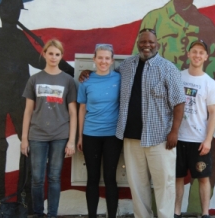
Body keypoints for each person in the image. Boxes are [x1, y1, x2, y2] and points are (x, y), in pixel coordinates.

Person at [79, 28, 185, 218]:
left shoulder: (168, 68)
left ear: (157, 44)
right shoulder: (126, 66)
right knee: (138, 186)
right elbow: (106, 74)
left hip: (160, 138)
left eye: (150, 42)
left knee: (164, 185)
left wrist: (174, 131)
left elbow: (179, 102)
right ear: (138, 43)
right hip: (130, 139)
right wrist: (89, 73)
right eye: (143, 42)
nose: (147, 45)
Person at [0, 0, 73, 207]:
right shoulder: (4, 36)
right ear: (1, 10)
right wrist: (70, 71)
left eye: (15, 9)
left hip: (18, 99)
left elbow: (40, 60)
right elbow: (40, 60)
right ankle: (5, 197)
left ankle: (25, 196)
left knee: (26, 145)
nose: (11, 13)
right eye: (7, 8)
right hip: (1, 100)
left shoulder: (16, 37)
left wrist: (70, 72)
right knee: (8, 146)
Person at [20, 39, 77, 218]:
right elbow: (28, 111)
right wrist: (24, 139)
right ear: (44, 54)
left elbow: (73, 113)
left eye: (57, 54)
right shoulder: (34, 79)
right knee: (37, 178)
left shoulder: (68, 81)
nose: (53, 57)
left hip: (60, 135)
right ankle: (38, 213)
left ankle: (52, 214)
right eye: (50, 53)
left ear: (61, 56)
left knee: (54, 178)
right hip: (37, 135)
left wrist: (71, 141)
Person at [174, 40, 215, 218]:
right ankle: (176, 212)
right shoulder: (178, 76)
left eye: (201, 52)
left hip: (199, 141)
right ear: (188, 53)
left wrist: (208, 139)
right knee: (177, 177)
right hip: (177, 138)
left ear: (206, 57)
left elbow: (213, 113)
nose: (197, 55)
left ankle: (205, 213)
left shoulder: (210, 84)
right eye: (194, 51)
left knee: (203, 178)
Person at [77, 44, 123, 218]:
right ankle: (92, 215)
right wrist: (80, 136)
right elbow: (82, 109)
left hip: (113, 135)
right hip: (90, 135)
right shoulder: (86, 81)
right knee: (92, 178)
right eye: (100, 57)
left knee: (110, 178)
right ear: (94, 59)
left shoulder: (119, 79)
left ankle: (112, 215)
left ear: (112, 61)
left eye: (107, 58)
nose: (103, 61)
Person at [132, 0, 215, 79]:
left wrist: (201, 83)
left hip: (191, 91)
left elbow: (214, 58)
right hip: (159, 90)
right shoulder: (153, 18)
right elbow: (138, 57)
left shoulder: (206, 24)